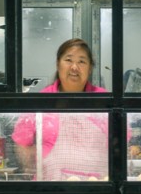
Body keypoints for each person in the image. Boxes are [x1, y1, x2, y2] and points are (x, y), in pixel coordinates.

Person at [11, 38, 109, 180]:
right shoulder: (41, 101)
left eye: (82, 61)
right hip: (51, 187)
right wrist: (32, 164)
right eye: (68, 60)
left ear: (90, 68)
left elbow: (121, 142)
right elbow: (21, 142)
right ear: (58, 64)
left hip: (99, 186)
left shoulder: (103, 100)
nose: (74, 67)